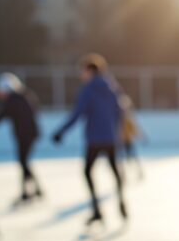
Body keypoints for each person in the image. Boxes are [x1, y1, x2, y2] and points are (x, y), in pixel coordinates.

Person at [51, 54, 126, 225]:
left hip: (94, 138)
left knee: (87, 172)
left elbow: (77, 113)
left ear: (90, 70)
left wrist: (61, 132)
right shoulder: (112, 87)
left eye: (82, 71)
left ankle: (97, 210)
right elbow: (120, 111)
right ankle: (121, 201)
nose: (81, 74)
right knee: (115, 171)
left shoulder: (89, 89)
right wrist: (116, 132)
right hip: (111, 137)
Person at [0, 73, 43, 204]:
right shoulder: (25, 96)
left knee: (23, 162)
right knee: (24, 162)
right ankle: (35, 189)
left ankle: (27, 192)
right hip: (29, 134)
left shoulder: (13, 100)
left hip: (25, 135)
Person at [119, 95, 145, 181]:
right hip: (120, 141)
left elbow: (134, 128)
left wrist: (141, 136)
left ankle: (139, 172)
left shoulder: (129, 117)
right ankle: (123, 175)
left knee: (133, 157)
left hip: (128, 141)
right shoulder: (117, 117)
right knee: (121, 159)